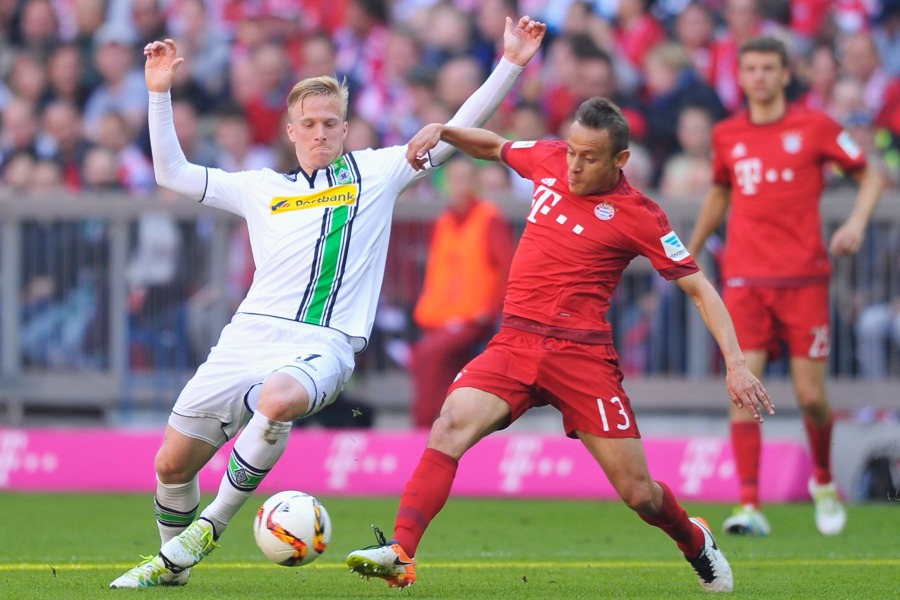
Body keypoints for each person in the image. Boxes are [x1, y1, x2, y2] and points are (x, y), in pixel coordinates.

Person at [108, 15, 546, 589]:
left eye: (330, 123)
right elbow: (171, 172)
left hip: (324, 344)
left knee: (278, 399)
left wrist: (510, 62)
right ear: (291, 131)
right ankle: (172, 566)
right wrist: (159, 92)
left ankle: (210, 525)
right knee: (170, 466)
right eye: (309, 123)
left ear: (345, 130)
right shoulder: (261, 188)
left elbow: (456, 129)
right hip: (247, 337)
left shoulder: (378, 172)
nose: (320, 132)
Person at [345, 97, 774, 594]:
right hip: (516, 341)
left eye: (589, 157)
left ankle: (692, 539)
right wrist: (445, 129)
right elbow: (496, 146)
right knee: (449, 425)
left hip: (581, 357)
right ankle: (401, 552)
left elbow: (700, 288)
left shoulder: (640, 215)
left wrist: (736, 364)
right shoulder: (549, 159)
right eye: (572, 151)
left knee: (639, 495)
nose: (574, 164)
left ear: (620, 161)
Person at [685, 37, 885, 538]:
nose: (758, 76)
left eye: (768, 68)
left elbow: (871, 176)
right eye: (750, 68)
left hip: (803, 279)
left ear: (784, 73)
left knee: (809, 394)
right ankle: (749, 505)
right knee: (742, 390)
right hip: (746, 280)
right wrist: (691, 246)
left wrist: (856, 223)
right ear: (742, 74)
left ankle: (822, 480)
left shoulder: (813, 126)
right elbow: (720, 191)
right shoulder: (728, 134)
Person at [410, 154, 514, 428]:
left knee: (428, 355)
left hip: (471, 319)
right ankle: (441, 429)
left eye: (466, 179)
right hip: (440, 319)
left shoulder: (489, 218)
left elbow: (507, 270)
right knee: (438, 367)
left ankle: (421, 428)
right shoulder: (443, 221)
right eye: (454, 180)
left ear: (476, 182)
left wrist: (488, 313)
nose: (460, 186)